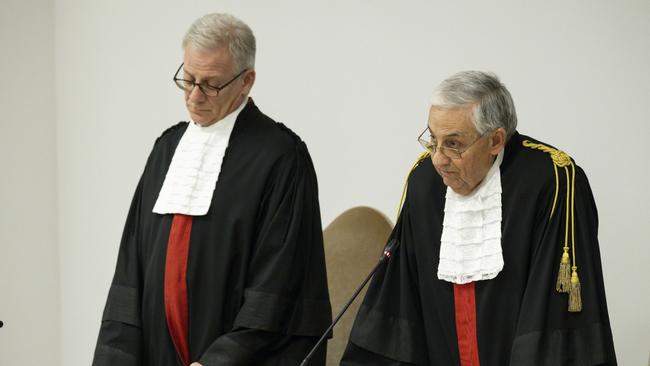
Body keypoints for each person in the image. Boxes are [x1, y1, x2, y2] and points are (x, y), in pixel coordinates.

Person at [92, 13, 331, 366]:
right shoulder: (167, 148)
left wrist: (221, 360)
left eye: (211, 84)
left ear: (246, 80)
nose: (194, 96)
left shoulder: (281, 157)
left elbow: (280, 286)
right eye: (188, 79)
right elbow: (131, 269)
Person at [341, 71, 617, 365]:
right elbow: (401, 305)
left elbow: (550, 316)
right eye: (433, 140)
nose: (438, 159)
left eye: (453, 144)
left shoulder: (550, 181)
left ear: (496, 140)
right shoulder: (424, 183)